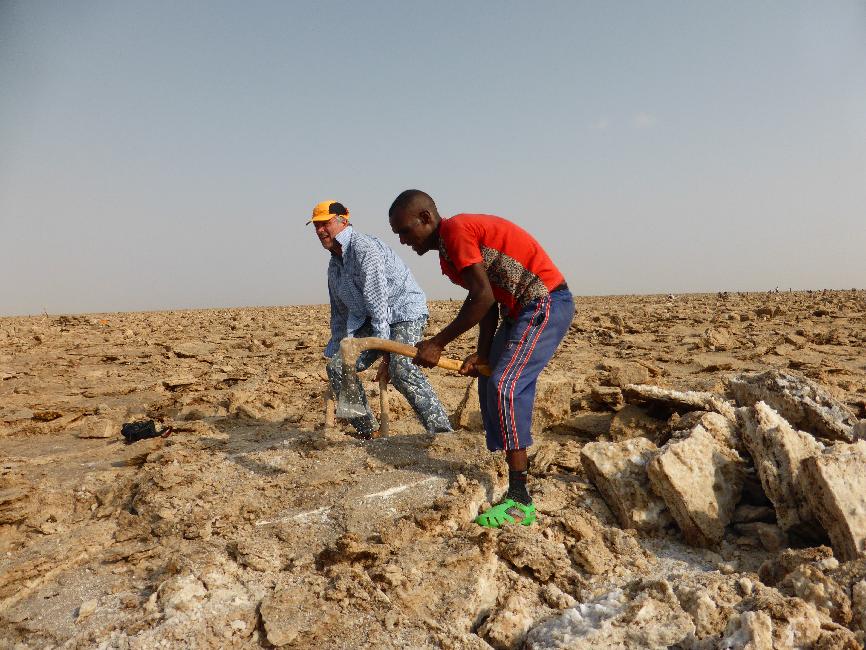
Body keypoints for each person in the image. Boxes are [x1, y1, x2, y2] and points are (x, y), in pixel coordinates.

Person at [388, 190, 573, 528]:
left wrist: (438, 343)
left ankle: (520, 501)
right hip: (515, 312)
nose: (402, 240)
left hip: (543, 302)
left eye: (404, 231)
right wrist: (483, 353)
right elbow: (485, 299)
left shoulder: (456, 232)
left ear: (426, 219)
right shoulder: (447, 254)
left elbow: (483, 296)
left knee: (506, 385)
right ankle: (508, 467)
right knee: (488, 376)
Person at [309, 199, 452, 439]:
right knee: (337, 367)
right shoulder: (334, 266)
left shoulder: (363, 248)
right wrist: (337, 348)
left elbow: (378, 302)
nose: (320, 230)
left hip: (404, 312)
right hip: (373, 319)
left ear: (343, 221)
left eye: (326, 223)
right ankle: (368, 431)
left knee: (401, 368)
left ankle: (442, 432)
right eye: (316, 225)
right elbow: (339, 314)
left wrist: (386, 351)